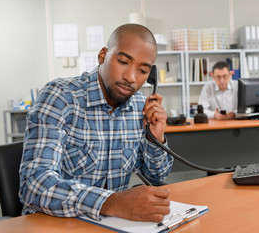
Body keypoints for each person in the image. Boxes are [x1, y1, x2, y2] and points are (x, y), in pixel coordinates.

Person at [19, 24, 174, 223]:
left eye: (142, 70)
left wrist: (156, 138)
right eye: (123, 61)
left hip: (111, 223)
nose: (131, 78)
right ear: (102, 55)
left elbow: (157, 178)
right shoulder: (61, 97)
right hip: (55, 223)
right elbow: (34, 185)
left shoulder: (139, 107)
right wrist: (112, 202)